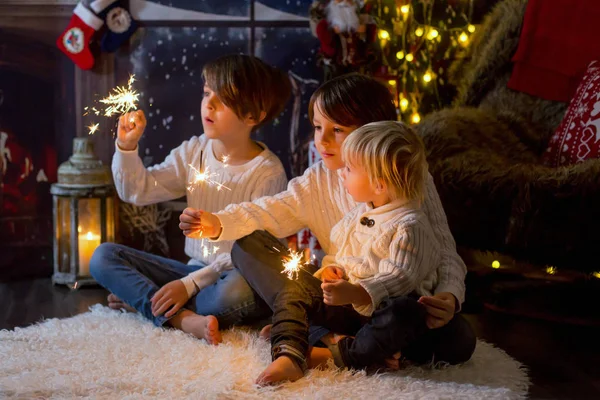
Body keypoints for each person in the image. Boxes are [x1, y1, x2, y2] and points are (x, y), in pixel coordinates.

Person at [180, 73, 476, 368]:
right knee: (249, 245)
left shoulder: (410, 181)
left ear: (373, 133)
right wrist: (218, 222)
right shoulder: (318, 179)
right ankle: (346, 341)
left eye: (337, 129)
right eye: (318, 127)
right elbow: (270, 210)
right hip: (338, 301)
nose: (321, 141)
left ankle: (328, 339)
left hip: (394, 304)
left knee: (459, 339)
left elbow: (444, 251)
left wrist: (448, 296)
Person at [89, 54, 291, 345]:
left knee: (236, 294)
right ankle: (180, 318)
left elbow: (255, 256)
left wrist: (189, 285)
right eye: (207, 93)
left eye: (223, 99)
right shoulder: (194, 151)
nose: (209, 104)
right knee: (104, 256)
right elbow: (138, 191)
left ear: (253, 116)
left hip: (235, 278)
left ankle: (147, 303)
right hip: (192, 271)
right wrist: (127, 146)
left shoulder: (267, 173)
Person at [257, 120, 459, 384]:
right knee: (295, 288)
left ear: (379, 184)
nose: (342, 173)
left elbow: (399, 278)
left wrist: (358, 292)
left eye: (350, 169)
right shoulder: (361, 212)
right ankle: (289, 348)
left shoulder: (410, 225)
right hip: (350, 307)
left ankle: (338, 355)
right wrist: (334, 269)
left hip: (382, 313)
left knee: (404, 314)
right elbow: (342, 252)